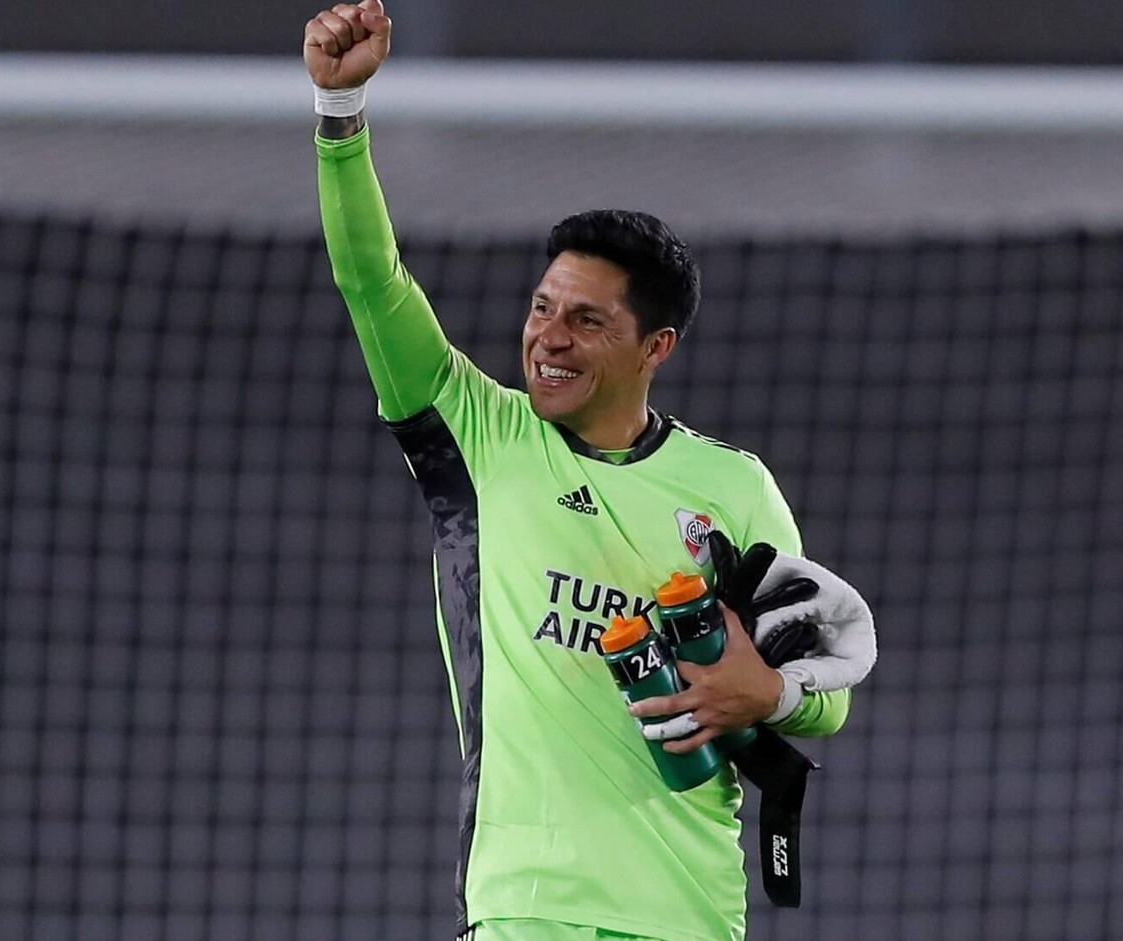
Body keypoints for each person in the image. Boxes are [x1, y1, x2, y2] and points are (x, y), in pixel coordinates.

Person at [304, 3, 876, 939]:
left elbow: (827, 692)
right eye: (541, 307)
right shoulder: (479, 438)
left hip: (693, 913)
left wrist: (762, 693)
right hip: (531, 908)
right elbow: (374, 281)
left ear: (657, 344)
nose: (547, 339)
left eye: (585, 321)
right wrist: (341, 116)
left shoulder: (733, 488)